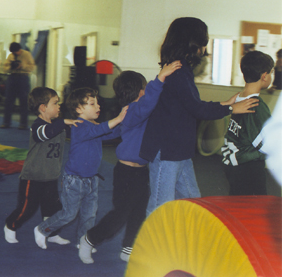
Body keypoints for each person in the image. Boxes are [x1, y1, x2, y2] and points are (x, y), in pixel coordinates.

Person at [139, 17, 260, 216]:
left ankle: (188, 244)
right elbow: (197, 109)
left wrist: (226, 104)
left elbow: (191, 105)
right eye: (203, 43)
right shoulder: (178, 72)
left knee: (193, 201)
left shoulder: (182, 71)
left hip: (179, 151)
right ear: (192, 43)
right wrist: (231, 109)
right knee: (160, 207)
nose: (204, 49)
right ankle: (150, 247)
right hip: (167, 150)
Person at [78, 62, 182, 264]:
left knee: (139, 211)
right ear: (140, 91)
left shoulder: (137, 111)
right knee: (121, 214)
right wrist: (160, 78)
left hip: (141, 171)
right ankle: (89, 239)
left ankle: (129, 247)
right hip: (126, 171)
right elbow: (148, 102)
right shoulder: (134, 110)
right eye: (145, 89)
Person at [34, 87, 128, 251]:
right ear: (78, 109)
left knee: (89, 215)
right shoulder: (79, 126)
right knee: (69, 214)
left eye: (98, 103)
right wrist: (118, 118)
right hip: (74, 180)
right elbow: (98, 130)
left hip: (92, 179)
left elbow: (110, 133)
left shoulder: (93, 126)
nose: (98, 106)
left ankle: (82, 241)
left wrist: (127, 123)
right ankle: (42, 229)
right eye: (92, 103)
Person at [4, 87, 82, 244]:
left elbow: (74, 133)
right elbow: (45, 133)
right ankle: (10, 226)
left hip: (50, 177)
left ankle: (51, 234)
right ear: (43, 107)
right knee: (27, 208)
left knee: (52, 209)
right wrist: (63, 122)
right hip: (32, 177)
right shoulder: (37, 126)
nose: (59, 106)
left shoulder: (58, 126)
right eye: (55, 103)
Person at [221, 51, 274, 195]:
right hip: (248, 168)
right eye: (271, 72)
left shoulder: (238, 98)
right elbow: (264, 143)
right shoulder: (256, 105)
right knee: (255, 208)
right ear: (264, 76)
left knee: (237, 204)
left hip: (233, 165)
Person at [0, 42, 35, 130]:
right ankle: (6, 122)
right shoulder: (10, 56)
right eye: (13, 53)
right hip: (12, 78)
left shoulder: (27, 54)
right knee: (8, 101)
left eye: (16, 52)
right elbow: (5, 68)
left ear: (20, 49)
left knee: (23, 101)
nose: (15, 54)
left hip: (23, 78)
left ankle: (23, 124)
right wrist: (11, 67)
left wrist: (22, 66)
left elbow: (32, 67)